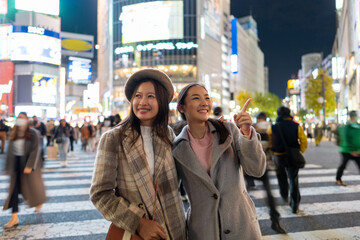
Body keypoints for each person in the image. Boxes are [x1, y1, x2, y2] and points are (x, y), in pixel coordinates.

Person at [90, 69, 186, 240]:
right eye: (138, 96)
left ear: (162, 102)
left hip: (175, 228)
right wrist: (138, 222)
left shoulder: (168, 135)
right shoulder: (114, 138)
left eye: (151, 96)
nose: (143, 102)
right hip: (139, 233)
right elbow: (100, 193)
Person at [173, 83, 266, 239]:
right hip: (203, 230)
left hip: (241, 226)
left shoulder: (228, 130)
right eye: (196, 98)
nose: (204, 103)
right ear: (182, 107)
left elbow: (256, 170)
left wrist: (246, 132)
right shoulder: (176, 148)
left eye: (207, 98)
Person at [3, 112, 47, 228]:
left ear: (27, 120)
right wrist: (7, 167)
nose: (20, 120)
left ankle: (38, 201)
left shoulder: (33, 133)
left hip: (27, 165)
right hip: (16, 165)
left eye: (22, 118)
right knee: (13, 191)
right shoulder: (13, 133)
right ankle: (14, 218)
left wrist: (30, 166)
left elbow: (35, 150)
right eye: (19, 118)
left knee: (31, 189)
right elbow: (9, 151)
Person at [269, 106, 308, 214]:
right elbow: (304, 140)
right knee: (293, 179)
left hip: (278, 156)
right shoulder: (296, 126)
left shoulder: (273, 127)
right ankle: (294, 204)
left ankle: (284, 194)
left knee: (281, 177)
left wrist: (272, 152)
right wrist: (299, 151)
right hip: (292, 156)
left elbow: (269, 140)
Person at [335, 110, 360, 186]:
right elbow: (345, 139)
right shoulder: (346, 127)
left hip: (357, 151)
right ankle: (338, 179)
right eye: (353, 116)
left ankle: (338, 179)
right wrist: (351, 150)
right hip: (347, 150)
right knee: (343, 165)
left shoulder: (358, 126)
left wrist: (358, 150)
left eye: (354, 116)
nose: (354, 118)